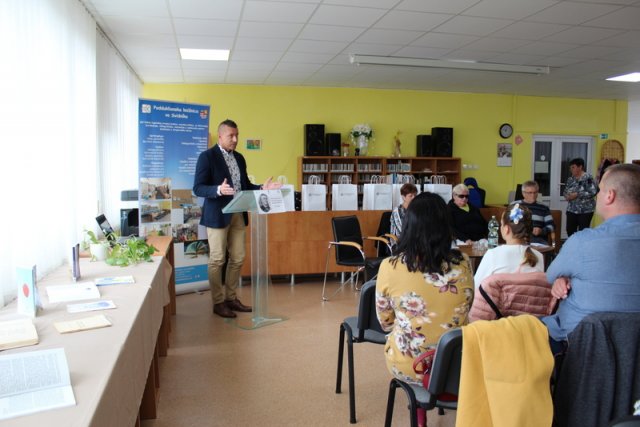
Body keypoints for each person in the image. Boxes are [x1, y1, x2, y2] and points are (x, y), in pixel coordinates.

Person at [376, 192, 474, 388]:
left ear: (408, 226)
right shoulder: (463, 263)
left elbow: (385, 322)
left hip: (409, 366)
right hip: (456, 364)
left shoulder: (390, 266)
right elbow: (466, 306)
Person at [193, 119, 281, 318]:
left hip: (238, 213)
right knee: (217, 259)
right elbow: (198, 187)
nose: (235, 139)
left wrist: (262, 188)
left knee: (238, 257)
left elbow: (245, 185)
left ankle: (231, 298)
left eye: (237, 135)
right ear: (220, 136)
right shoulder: (207, 157)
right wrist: (217, 189)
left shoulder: (239, 158)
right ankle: (218, 302)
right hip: (217, 215)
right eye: (231, 136)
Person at [543, 163, 640, 343]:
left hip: (580, 346)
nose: (597, 195)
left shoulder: (583, 242)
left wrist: (562, 277)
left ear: (610, 195)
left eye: (600, 190)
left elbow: (550, 276)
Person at [473, 204, 544, 288]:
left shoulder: (493, 254)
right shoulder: (539, 256)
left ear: (506, 229)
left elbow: (475, 287)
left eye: (501, 224)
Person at [564, 157, 598, 236]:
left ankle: (581, 244)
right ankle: (572, 244)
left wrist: (577, 194)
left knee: (583, 233)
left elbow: (593, 192)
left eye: (573, 167)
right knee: (570, 230)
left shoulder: (588, 178)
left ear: (580, 167)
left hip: (585, 211)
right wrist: (567, 196)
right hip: (571, 210)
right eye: (570, 168)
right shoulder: (570, 179)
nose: (571, 169)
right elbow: (565, 191)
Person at [516, 180, 555, 245]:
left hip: (538, 241)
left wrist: (541, 231)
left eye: (535, 192)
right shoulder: (515, 206)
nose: (533, 195)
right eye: (530, 193)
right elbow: (508, 224)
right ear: (523, 193)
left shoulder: (544, 207)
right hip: (519, 240)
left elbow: (551, 226)